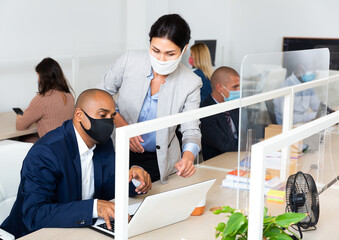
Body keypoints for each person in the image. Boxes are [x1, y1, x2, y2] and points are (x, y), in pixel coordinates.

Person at [1, 89, 151, 238]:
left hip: (78, 231)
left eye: (111, 117)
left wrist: (135, 179)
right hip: (31, 235)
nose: (108, 123)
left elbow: (112, 184)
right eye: (102, 115)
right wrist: (94, 208)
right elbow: (34, 214)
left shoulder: (103, 144)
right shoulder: (46, 152)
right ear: (79, 115)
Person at [98, 14, 202, 183]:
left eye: (170, 53)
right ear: (149, 43)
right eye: (156, 50)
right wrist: (124, 127)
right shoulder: (129, 61)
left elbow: (191, 129)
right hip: (119, 150)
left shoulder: (190, 82)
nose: (161, 59)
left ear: (184, 49)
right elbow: (100, 95)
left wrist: (188, 157)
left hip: (160, 159)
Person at [16, 58, 75, 140]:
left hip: (49, 148)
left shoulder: (41, 99)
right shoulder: (69, 96)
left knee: (23, 138)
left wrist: (19, 117)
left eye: (38, 77)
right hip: (66, 146)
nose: (38, 80)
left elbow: (20, 126)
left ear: (44, 78)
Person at [200, 67, 240, 160]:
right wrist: (252, 143)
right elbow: (224, 145)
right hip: (218, 161)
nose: (238, 90)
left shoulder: (232, 105)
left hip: (238, 155)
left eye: (239, 86)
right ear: (220, 88)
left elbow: (244, 132)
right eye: (235, 87)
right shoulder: (205, 111)